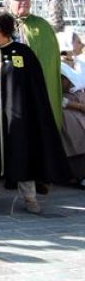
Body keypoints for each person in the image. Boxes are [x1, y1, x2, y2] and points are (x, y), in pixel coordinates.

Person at [0, 11, 69, 214]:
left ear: (4, 30)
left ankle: (29, 197)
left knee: (21, 152)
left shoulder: (22, 52)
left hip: (16, 115)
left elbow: (34, 86)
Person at [7, 0, 62, 134]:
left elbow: (50, 58)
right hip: (12, 82)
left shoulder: (42, 25)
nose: (24, 1)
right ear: (9, 2)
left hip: (38, 82)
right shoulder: (3, 24)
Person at [56, 31, 85, 187]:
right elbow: (56, 97)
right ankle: (78, 175)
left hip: (81, 105)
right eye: (77, 41)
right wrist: (79, 107)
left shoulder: (80, 64)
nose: (81, 44)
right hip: (69, 107)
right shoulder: (59, 67)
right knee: (77, 132)